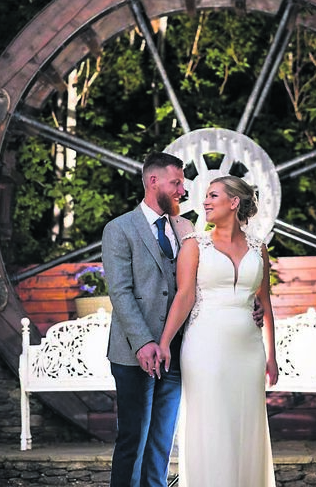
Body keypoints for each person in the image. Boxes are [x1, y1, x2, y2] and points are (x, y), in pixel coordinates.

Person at [158, 175, 278, 487]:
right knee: (211, 423)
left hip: (249, 350)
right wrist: (164, 343)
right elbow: (184, 297)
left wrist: (272, 357)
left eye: (213, 195)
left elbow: (264, 302)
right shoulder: (194, 245)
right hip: (204, 347)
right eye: (206, 196)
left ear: (234, 202)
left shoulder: (259, 248)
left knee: (246, 424)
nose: (205, 202)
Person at [102, 151, 192, 487]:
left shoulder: (185, 228)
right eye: (177, 182)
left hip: (176, 351)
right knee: (133, 439)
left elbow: (193, 286)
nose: (183, 190)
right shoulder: (119, 229)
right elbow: (121, 292)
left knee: (162, 441)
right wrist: (144, 342)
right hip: (133, 354)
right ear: (154, 181)